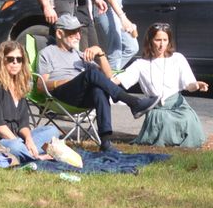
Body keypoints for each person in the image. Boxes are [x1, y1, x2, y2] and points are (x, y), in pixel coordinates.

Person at [35, 14, 157, 142]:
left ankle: (105, 142)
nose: (78, 36)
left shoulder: (80, 55)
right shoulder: (47, 53)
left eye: (79, 31)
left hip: (80, 97)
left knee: (98, 90)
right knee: (91, 73)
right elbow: (40, 85)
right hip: (60, 95)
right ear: (60, 33)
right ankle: (132, 102)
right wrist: (64, 82)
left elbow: (108, 77)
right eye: (73, 32)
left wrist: (100, 53)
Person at [117, 23, 208, 148]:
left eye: (165, 40)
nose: (161, 44)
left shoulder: (177, 58)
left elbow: (189, 84)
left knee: (188, 119)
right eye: (158, 40)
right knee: (166, 121)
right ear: (150, 41)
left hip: (178, 106)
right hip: (157, 109)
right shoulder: (141, 64)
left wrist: (197, 85)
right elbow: (119, 79)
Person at [0, 40, 59, 163]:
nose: (15, 63)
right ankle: (36, 156)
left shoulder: (19, 86)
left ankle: (27, 152)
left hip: (17, 138)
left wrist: (29, 140)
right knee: (16, 146)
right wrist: (18, 142)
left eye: (19, 59)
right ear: (1, 60)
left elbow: (23, 124)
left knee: (52, 131)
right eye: (10, 59)